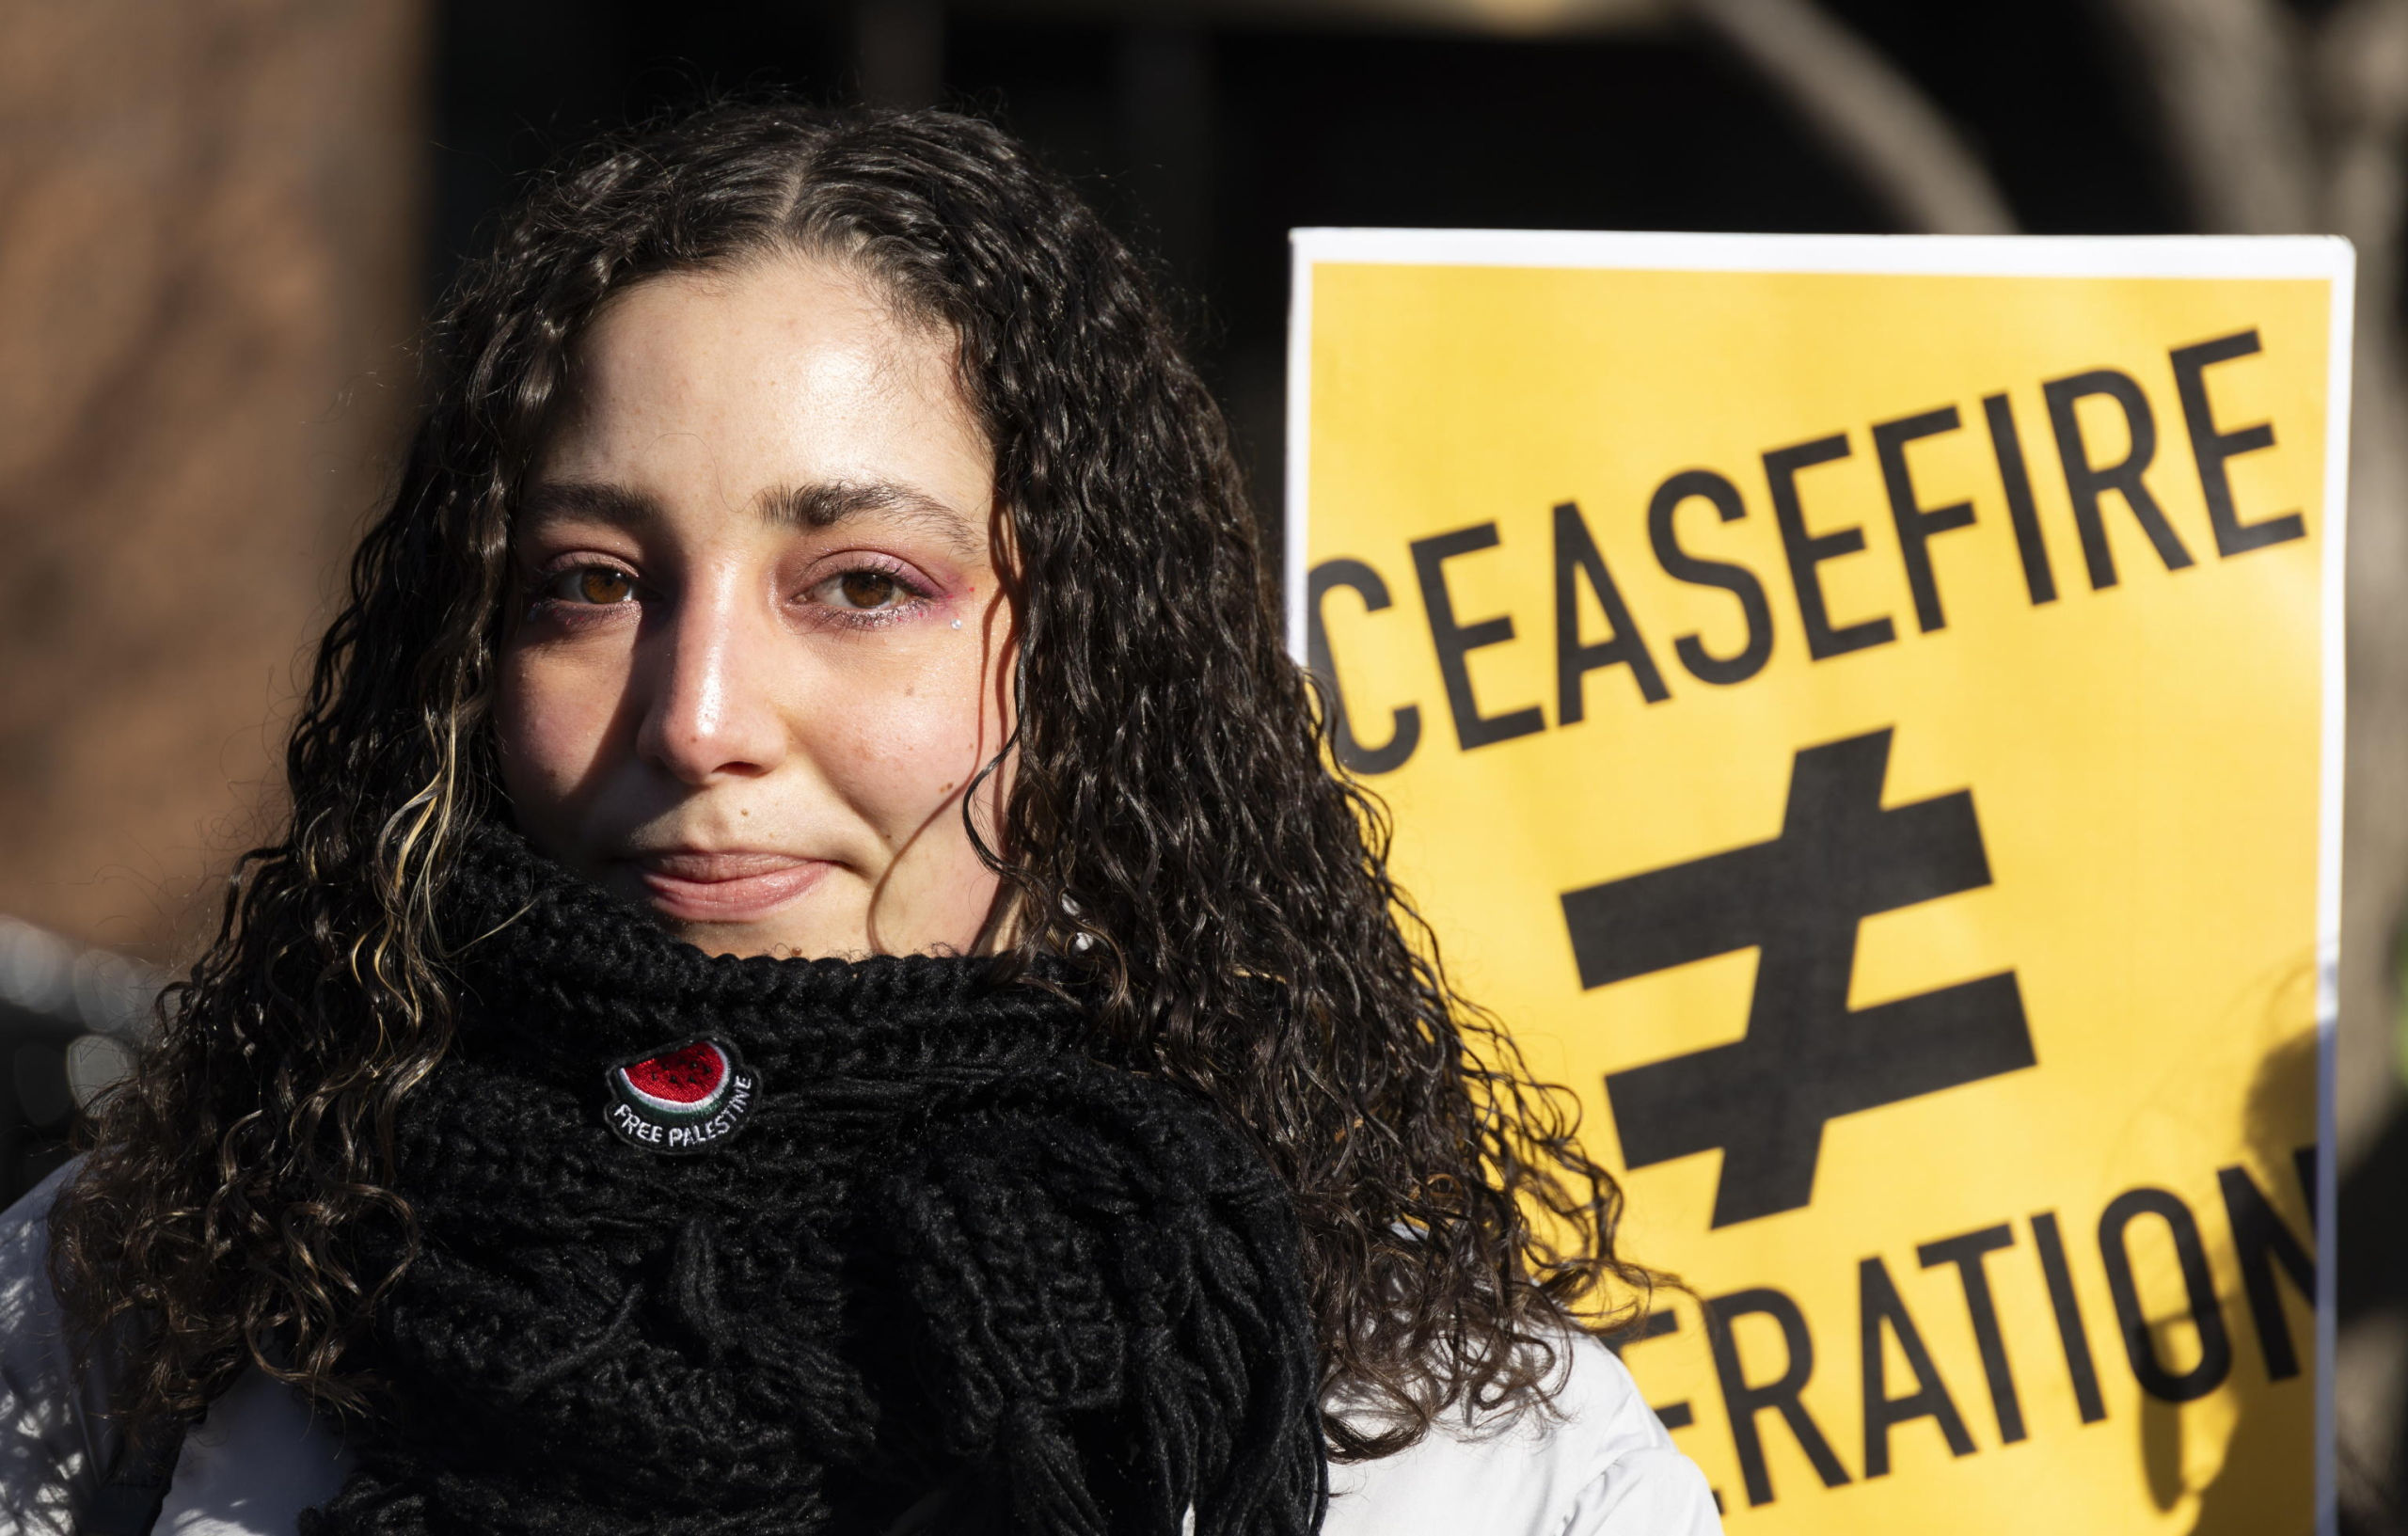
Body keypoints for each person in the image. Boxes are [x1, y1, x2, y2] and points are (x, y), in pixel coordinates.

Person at [0, 103, 1721, 1535]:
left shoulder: (1443, 1428)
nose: (698, 714)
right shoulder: (140, 1302)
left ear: (1092, 668)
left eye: (863, 584)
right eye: (591, 582)